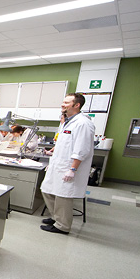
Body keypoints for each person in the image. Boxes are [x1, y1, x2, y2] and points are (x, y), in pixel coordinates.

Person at [40, 93, 95, 234]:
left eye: (66, 102)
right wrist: (52, 151)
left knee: (63, 196)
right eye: (63, 102)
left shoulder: (83, 123)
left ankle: (62, 226)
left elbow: (82, 149)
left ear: (77, 105)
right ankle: (55, 217)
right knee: (47, 189)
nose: (62, 104)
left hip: (68, 167)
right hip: (58, 164)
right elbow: (64, 142)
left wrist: (73, 169)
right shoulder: (68, 121)